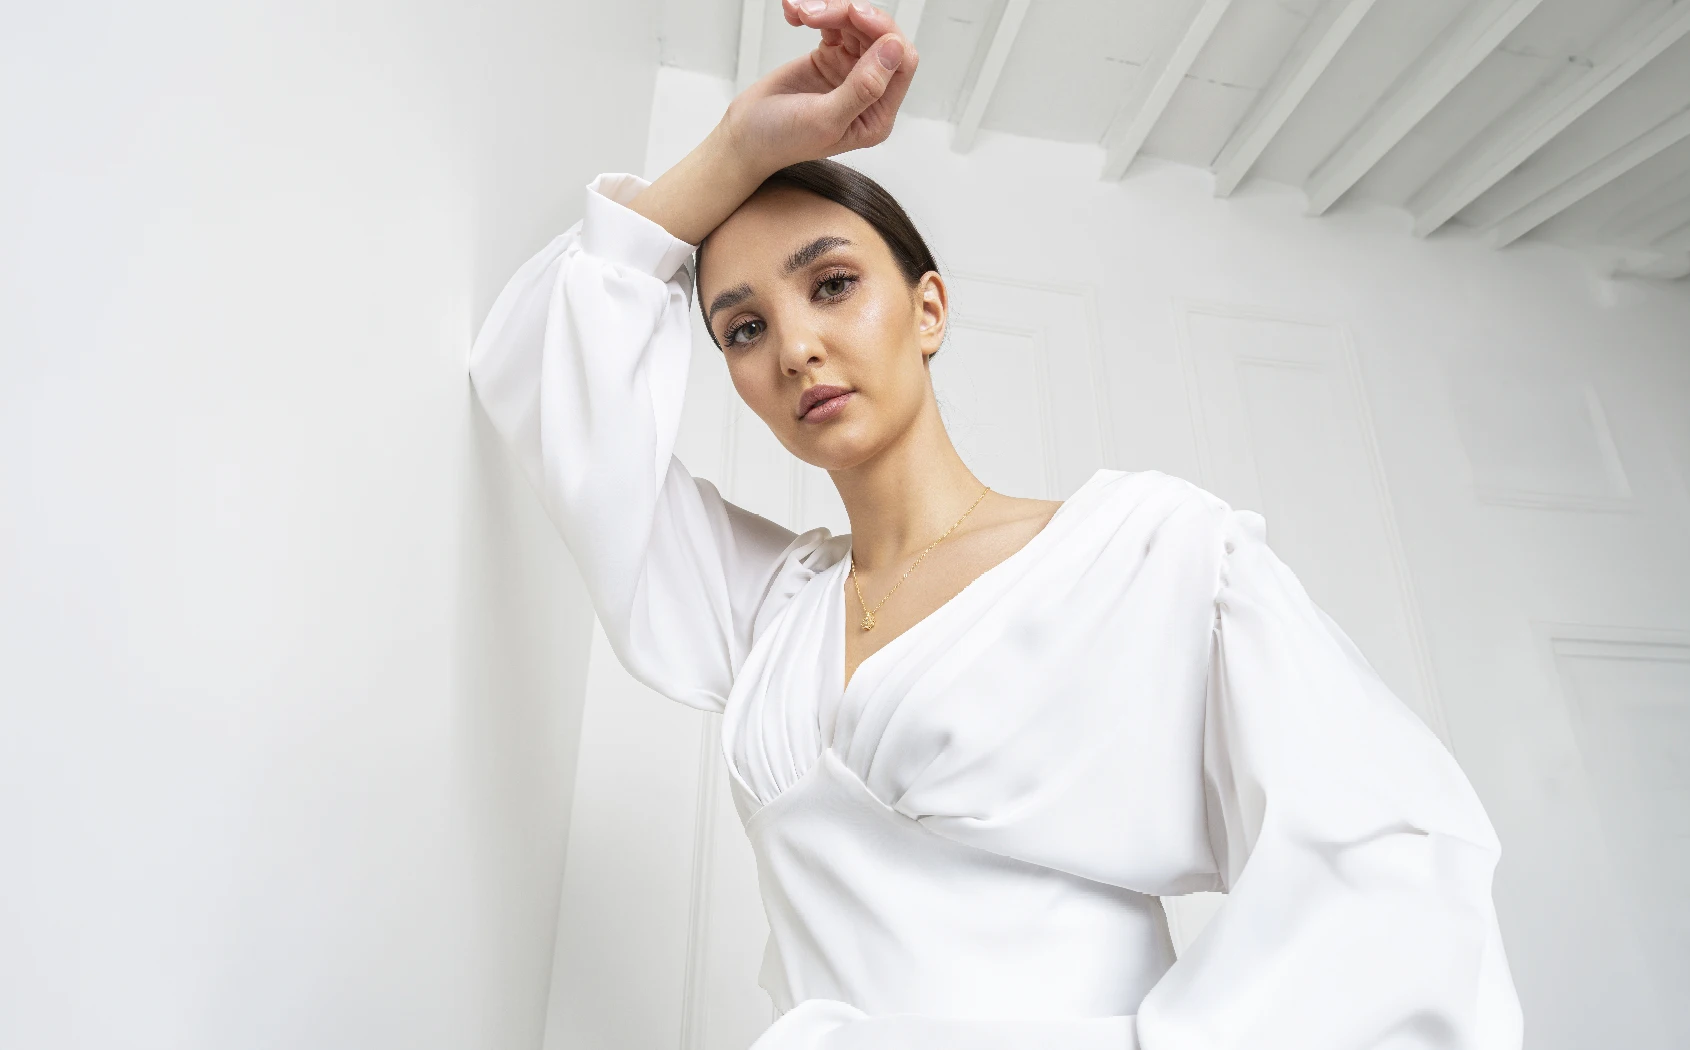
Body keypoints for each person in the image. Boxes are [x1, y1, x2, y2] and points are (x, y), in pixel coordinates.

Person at [467, 1, 1524, 1046]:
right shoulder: (764, 615)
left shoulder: (1147, 559)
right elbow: (542, 384)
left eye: (831, 285)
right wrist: (740, 146)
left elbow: (1389, 868)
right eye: (743, 328)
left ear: (928, 309)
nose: (793, 349)